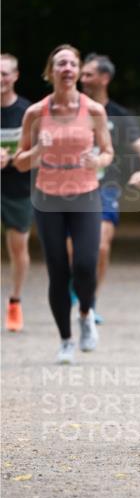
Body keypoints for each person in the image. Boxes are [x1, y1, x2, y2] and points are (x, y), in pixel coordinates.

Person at [14, 44, 112, 363]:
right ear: (51, 71)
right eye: (61, 63)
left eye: (72, 63)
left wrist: (97, 158)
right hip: (48, 196)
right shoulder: (35, 113)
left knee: (85, 263)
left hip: (85, 193)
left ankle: (84, 313)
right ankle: (65, 340)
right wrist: (37, 153)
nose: (67, 68)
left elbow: (109, 153)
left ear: (78, 70)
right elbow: (20, 162)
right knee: (58, 270)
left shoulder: (94, 111)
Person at [80, 53, 140, 320]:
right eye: (83, 73)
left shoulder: (120, 115)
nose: (82, 78)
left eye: (88, 74)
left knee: (101, 244)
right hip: (70, 185)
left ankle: (91, 301)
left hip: (106, 186)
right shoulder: (69, 109)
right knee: (71, 249)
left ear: (105, 78)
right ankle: (75, 287)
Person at [1, 53, 31, 331]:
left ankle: (15, 301)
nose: (0, 79)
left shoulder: (27, 112)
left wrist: (11, 158)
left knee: (17, 248)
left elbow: (39, 151)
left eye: (5, 73)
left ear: (15, 76)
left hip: (18, 187)